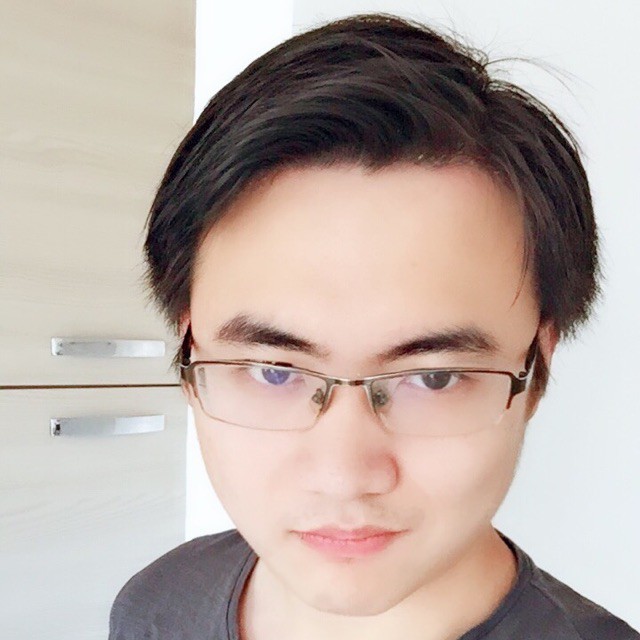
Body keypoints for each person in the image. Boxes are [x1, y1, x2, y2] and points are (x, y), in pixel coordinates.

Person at [109, 13, 639, 640]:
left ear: (537, 367)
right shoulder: (156, 603)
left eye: (434, 378)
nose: (343, 476)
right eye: (273, 371)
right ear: (189, 352)